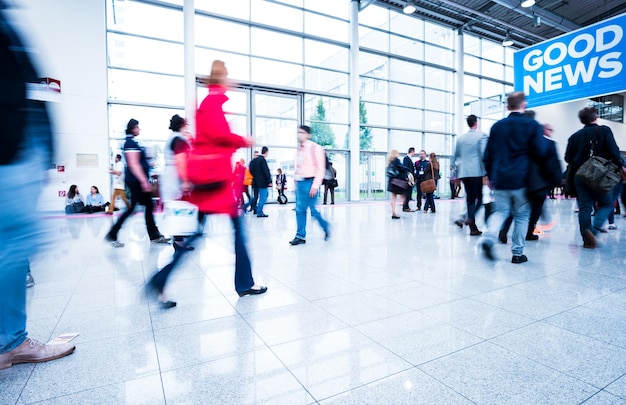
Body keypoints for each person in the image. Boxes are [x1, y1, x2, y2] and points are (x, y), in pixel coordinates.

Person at [0, 4, 75, 369]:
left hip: (15, 146)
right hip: (9, 148)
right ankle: (10, 341)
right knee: (12, 246)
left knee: (12, 246)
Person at [186, 60, 266, 297]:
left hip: (209, 179)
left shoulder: (210, 102)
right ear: (221, 79)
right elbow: (219, 135)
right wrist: (243, 140)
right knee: (238, 232)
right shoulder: (213, 102)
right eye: (228, 76)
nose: (231, 81)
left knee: (199, 232)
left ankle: (161, 279)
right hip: (215, 180)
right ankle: (244, 284)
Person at [479, 92, 549, 264]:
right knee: (522, 216)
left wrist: (489, 175)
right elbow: (541, 151)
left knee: (501, 211)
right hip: (523, 180)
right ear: (523, 105)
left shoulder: (497, 127)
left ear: (507, 106)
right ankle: (517, 254)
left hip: (501, 178)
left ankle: (488, 238)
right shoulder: (531, 125)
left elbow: (488, 155)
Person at [146, 114, 194, 308]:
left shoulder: (171, 139)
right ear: (182, 125)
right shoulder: (179, 139)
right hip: (177, 188)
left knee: (182, 225)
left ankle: (179, 242)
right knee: (187, 223)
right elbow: (182, 162)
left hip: (171, 187)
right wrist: (186, 182)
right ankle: (159, 283)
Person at [564, 106, 624, 248]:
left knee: (585, 207)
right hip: (600, 175)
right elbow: (614, 152)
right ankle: (594, 230)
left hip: (580, 175)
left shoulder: (574, 136)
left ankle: (586, 239)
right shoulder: (604, 131)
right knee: (606, 204)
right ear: (595, 117)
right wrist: (620, 165)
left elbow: (568, 158)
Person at [105, 119, 170, 247]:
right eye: (138, 127)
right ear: (133, 128)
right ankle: (113, 233)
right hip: (135, 181)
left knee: (147, 206)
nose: (139, 130)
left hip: (136, 180)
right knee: (132, 208)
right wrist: (144, 181)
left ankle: (154, 235)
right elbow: (133, 164)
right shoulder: (130, 143)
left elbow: (138, 162)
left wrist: (148, 161)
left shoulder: (132, 142)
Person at [289, 125, 331, 245]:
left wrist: (315, 185)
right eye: (298, 132)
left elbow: (320, 168)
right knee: (299, 210)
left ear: (308, 135)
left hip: (310, 182)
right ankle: (300, 236)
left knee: (313, 210)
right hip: (300, 183)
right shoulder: (299, 149)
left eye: (301, 132)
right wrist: (296, 181)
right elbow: (299, 166)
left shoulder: (315, 148)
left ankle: (325, 226)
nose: (299, 134)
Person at [451, 114, 488, 235]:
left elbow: (454, 157)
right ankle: (470, 217)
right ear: (476, 123)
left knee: (470, 200)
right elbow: (483, 154)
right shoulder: (481, 136)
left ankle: (473, 229)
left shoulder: (461, 139)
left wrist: (454, 174)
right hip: (476, 172)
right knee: (480, 199)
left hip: (464, 173)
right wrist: (487, 171)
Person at [386, 149, 410, 219]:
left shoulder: (389, 162)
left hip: (391, 181)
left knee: (394, 197)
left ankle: (394, 212)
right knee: (404, 195)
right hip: (397, 182)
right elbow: (402, 169)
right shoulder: (397, 160)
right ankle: (403, 206)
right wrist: (407, 169)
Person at [249, 146, 271, 217]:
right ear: (266, 152)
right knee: (263, 196)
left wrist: (256, 176)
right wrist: (269, 181)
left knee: (258, 196)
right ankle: (259, 211)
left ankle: (256, 209)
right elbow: (266, 171)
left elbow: (251, 170)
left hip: (255, 182)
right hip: (262, 183)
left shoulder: (254, 160)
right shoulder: (262, 160)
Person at [402, 147, 416, 212]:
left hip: (411, 179)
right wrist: (406, 177)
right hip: (408, 179)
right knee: (407, 193)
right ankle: (405, 207)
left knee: (409, 193)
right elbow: (405, 168)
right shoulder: (406, 158)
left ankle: (406, 206)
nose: (414, 153)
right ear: (412, 151)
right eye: (414, 152)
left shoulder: (410, 159)